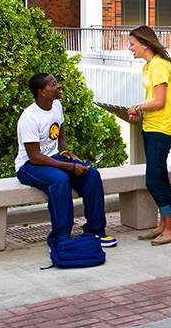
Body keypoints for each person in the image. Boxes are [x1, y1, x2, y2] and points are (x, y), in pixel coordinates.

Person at [15, 72, 116, 249]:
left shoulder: (56, 105)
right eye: (53, 84)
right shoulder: (29, 118)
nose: (59, 86)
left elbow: (59, 129)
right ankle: (61, 237)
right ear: (42, 92)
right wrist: (69, 166)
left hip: (53, 158)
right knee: (60, 180)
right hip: (29, 165)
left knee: (91, 174)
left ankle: (95, 231)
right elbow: (35, 156)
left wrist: (64, 151)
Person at [126, 25, 171, 246]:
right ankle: (163, 225)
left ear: (145, 44)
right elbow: (152, 100)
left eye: (132, 44)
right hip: (151, 126)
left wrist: (137, 107)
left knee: (154, 179)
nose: (129, 48)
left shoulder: (158, 66)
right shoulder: (148, 67)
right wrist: (141, 112)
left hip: (162, 128)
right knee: (159, 177)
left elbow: (159, 101)